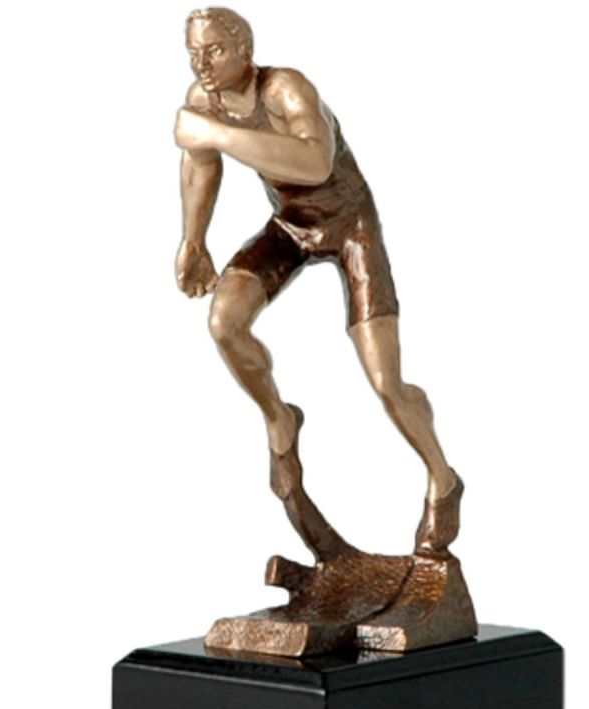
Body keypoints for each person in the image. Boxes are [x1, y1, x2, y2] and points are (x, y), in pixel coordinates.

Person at [174, 7, 462, 557]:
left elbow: (314, 163)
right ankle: (279, 419)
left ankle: (442, 479)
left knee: (387, 383)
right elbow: (200, 166)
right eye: (193, 53)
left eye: (214, 51)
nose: (202, 65)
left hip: (351, 226)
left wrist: (216, 133)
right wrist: (193, 241)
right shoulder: (204, 102)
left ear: (245, 49)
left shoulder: (285, 89)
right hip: (291, 226)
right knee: (224, 322)